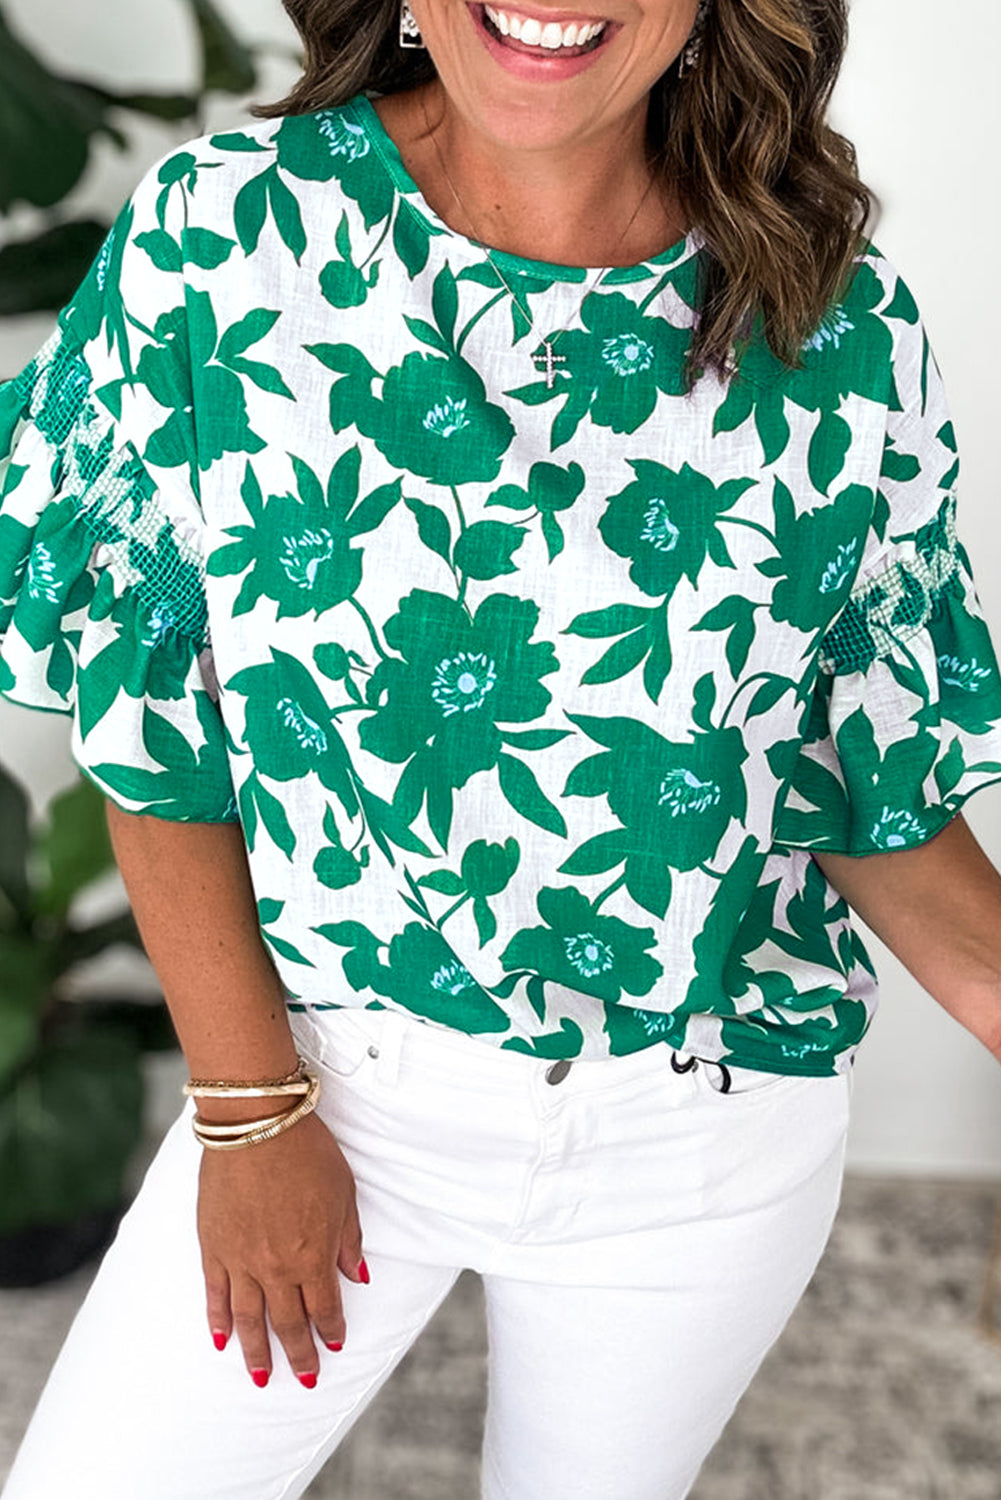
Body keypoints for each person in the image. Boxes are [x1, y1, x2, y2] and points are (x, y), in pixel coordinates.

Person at [2, 0, 1001, 1495]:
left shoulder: (834, 320)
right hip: (332, 1074)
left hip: (704, 1132)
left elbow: (848, 777)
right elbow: (152, 713)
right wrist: (250, 1112)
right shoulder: (224, 238)